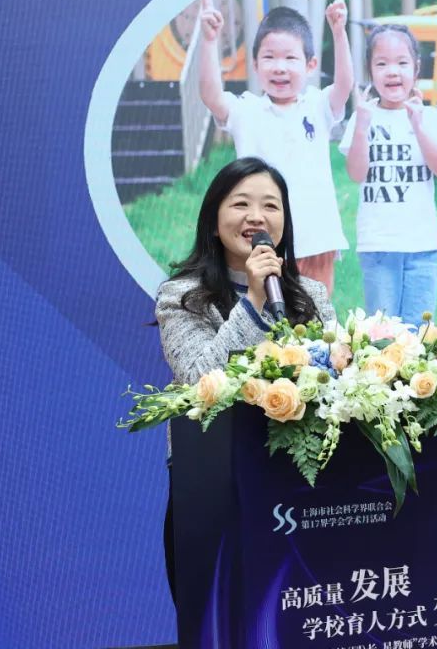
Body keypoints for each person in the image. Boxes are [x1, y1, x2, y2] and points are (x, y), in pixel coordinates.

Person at [155, 156, 336, 598]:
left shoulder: (311, 295)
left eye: (270, 206)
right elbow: (200, 381)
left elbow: (335, 381)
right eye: (241, 204)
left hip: (304, 494)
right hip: (214, 492)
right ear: (214, 221)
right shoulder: (181, 296)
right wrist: (254, 301)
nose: (256, 217)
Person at [197, 0, 354, 295]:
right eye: (269, 57)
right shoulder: (246, 110)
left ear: (310, 65)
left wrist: (339, 32)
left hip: (316, 237)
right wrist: (209, 40)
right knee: (265, 313)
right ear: (255, 65)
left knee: (317, 314)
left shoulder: (318, 106)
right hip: (262, 239)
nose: (280, 67)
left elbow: (345, 85)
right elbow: (211, 95)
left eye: (290, 58)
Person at [338, 24, 437, 327]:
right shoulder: (363, 115)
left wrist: (418, 126)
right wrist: (361, 126)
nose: (392, 71)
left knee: (420, 333)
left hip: (422, 245)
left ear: (416, 68)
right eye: (382, 63)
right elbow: (356, 173)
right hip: (378, 244)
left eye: (402, 63)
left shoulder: (428, 116)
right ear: (370, 70)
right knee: (382, 332)